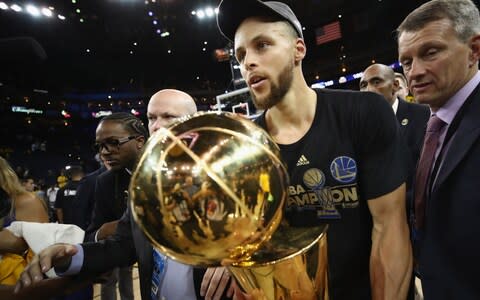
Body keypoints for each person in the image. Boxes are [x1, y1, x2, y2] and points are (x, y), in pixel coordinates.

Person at [216, 1, 412, 299]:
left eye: (263, 45)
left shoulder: (363, 112)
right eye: (241, 55)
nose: (248, 63)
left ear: (298, 50)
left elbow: (390, 231)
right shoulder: (244, 145)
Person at [15, 90, 233, 300]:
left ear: (194, 123)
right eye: (151, 118)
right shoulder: (143, 183)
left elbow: (256, 237)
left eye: (168, 117)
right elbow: (123, 244)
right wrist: (71, 255)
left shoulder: (228, 177)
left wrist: (236, 263)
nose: (157, 126)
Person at [397, 0, 480, 298]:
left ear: (474, 50)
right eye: (406, 62)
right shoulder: (431, 123)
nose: (415, 72)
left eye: (430, 53)